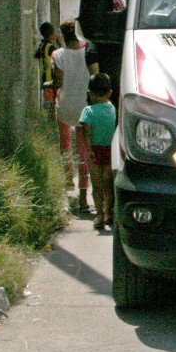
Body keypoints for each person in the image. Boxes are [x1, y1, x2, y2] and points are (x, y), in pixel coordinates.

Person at [46, 20, 90, 213]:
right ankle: (82, 198)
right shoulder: (88, 53)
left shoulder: (58, 54)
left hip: (65, 106)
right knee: (83, 150)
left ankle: (67, 184)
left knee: (65, 144)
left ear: (62, 36)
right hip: (84, 106)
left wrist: (47, 84)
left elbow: (57, 82)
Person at [79, 73, 116, 230]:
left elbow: (86, 132)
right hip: (109, 150)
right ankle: (109, 213)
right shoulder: (113, 109)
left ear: (90, 93)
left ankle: (99, 216)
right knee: (108, 184)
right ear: (110, 92)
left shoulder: (88, 111)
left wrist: (88, 150)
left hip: (94, 150)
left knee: (97, 184)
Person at [33, 22, 59, 116]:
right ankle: (52, 119)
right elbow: (60, 57)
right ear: (51, 34)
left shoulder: (41, 46)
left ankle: (50, 118)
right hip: (51, 78)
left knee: (50, 101)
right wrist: (60, 44)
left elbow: (36, 56)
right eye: (54, 32)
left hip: (44, 77)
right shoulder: (51, 47)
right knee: (54, 102)